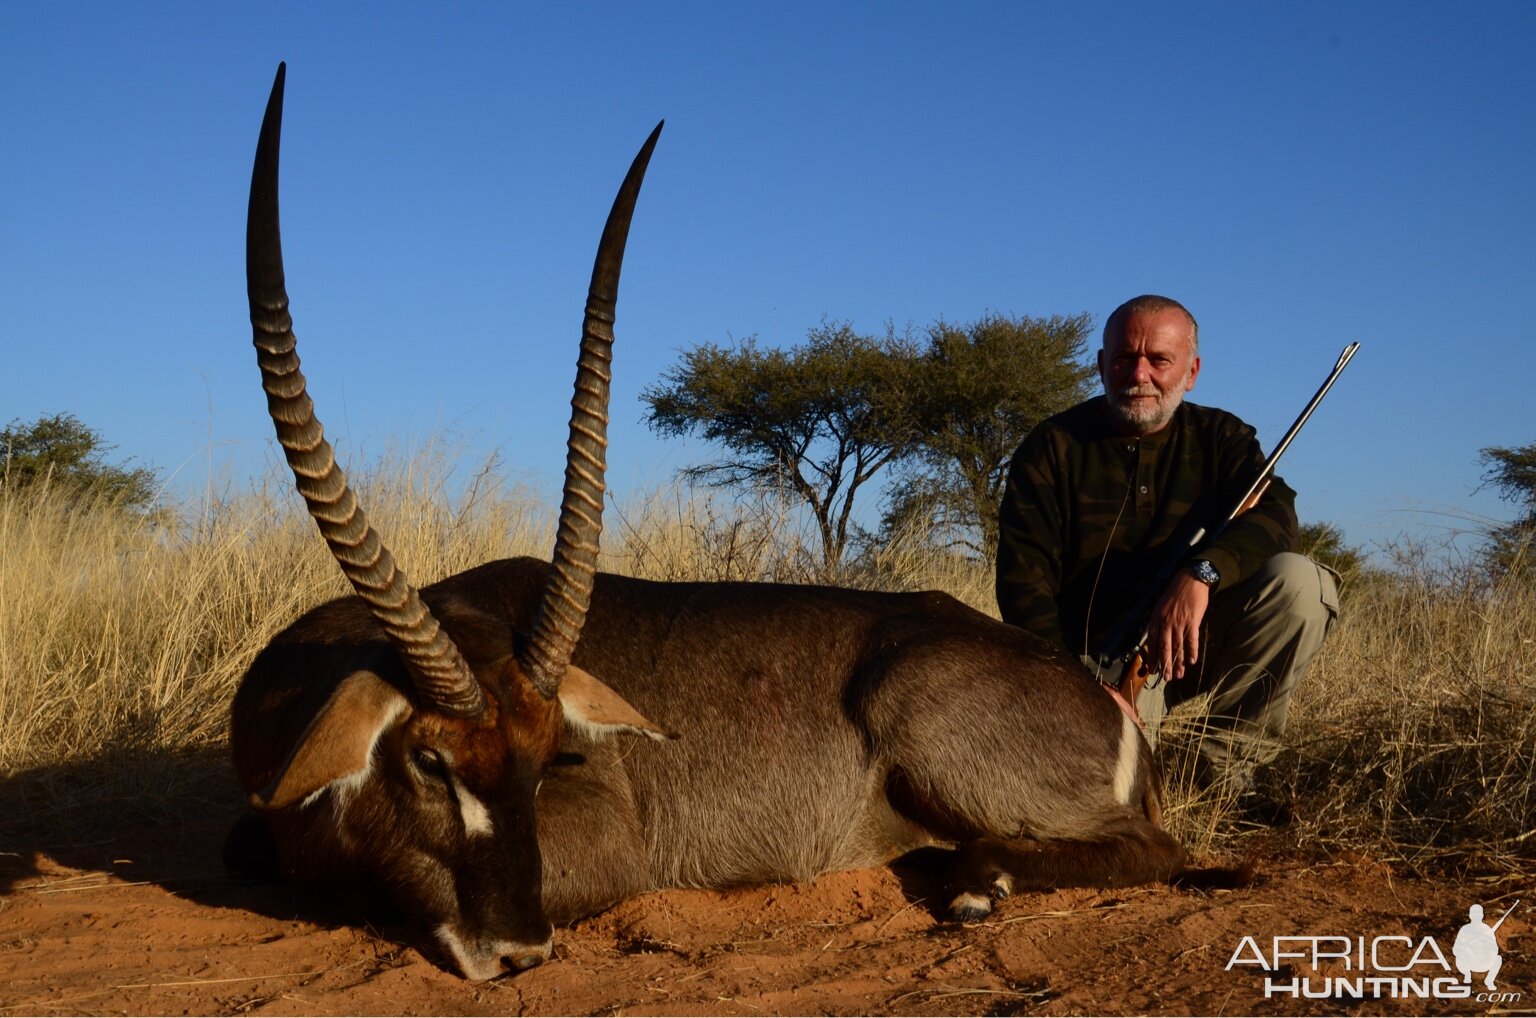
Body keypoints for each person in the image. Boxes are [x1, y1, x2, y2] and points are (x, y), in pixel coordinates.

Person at [995, 294, 1339, 798]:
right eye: (1123, 359)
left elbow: (1277, 518)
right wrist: (1079, 689)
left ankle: (1226, 775)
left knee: (1301, 584)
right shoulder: (1051, 448)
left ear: (1191, 370)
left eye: (1159, 360)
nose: (1139, 375)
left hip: (1192, 641)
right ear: (1100, 365)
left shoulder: (1222, 437)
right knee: (1112, 796)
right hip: (1087, 668)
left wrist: (1203, 574)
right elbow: (1024, 590)